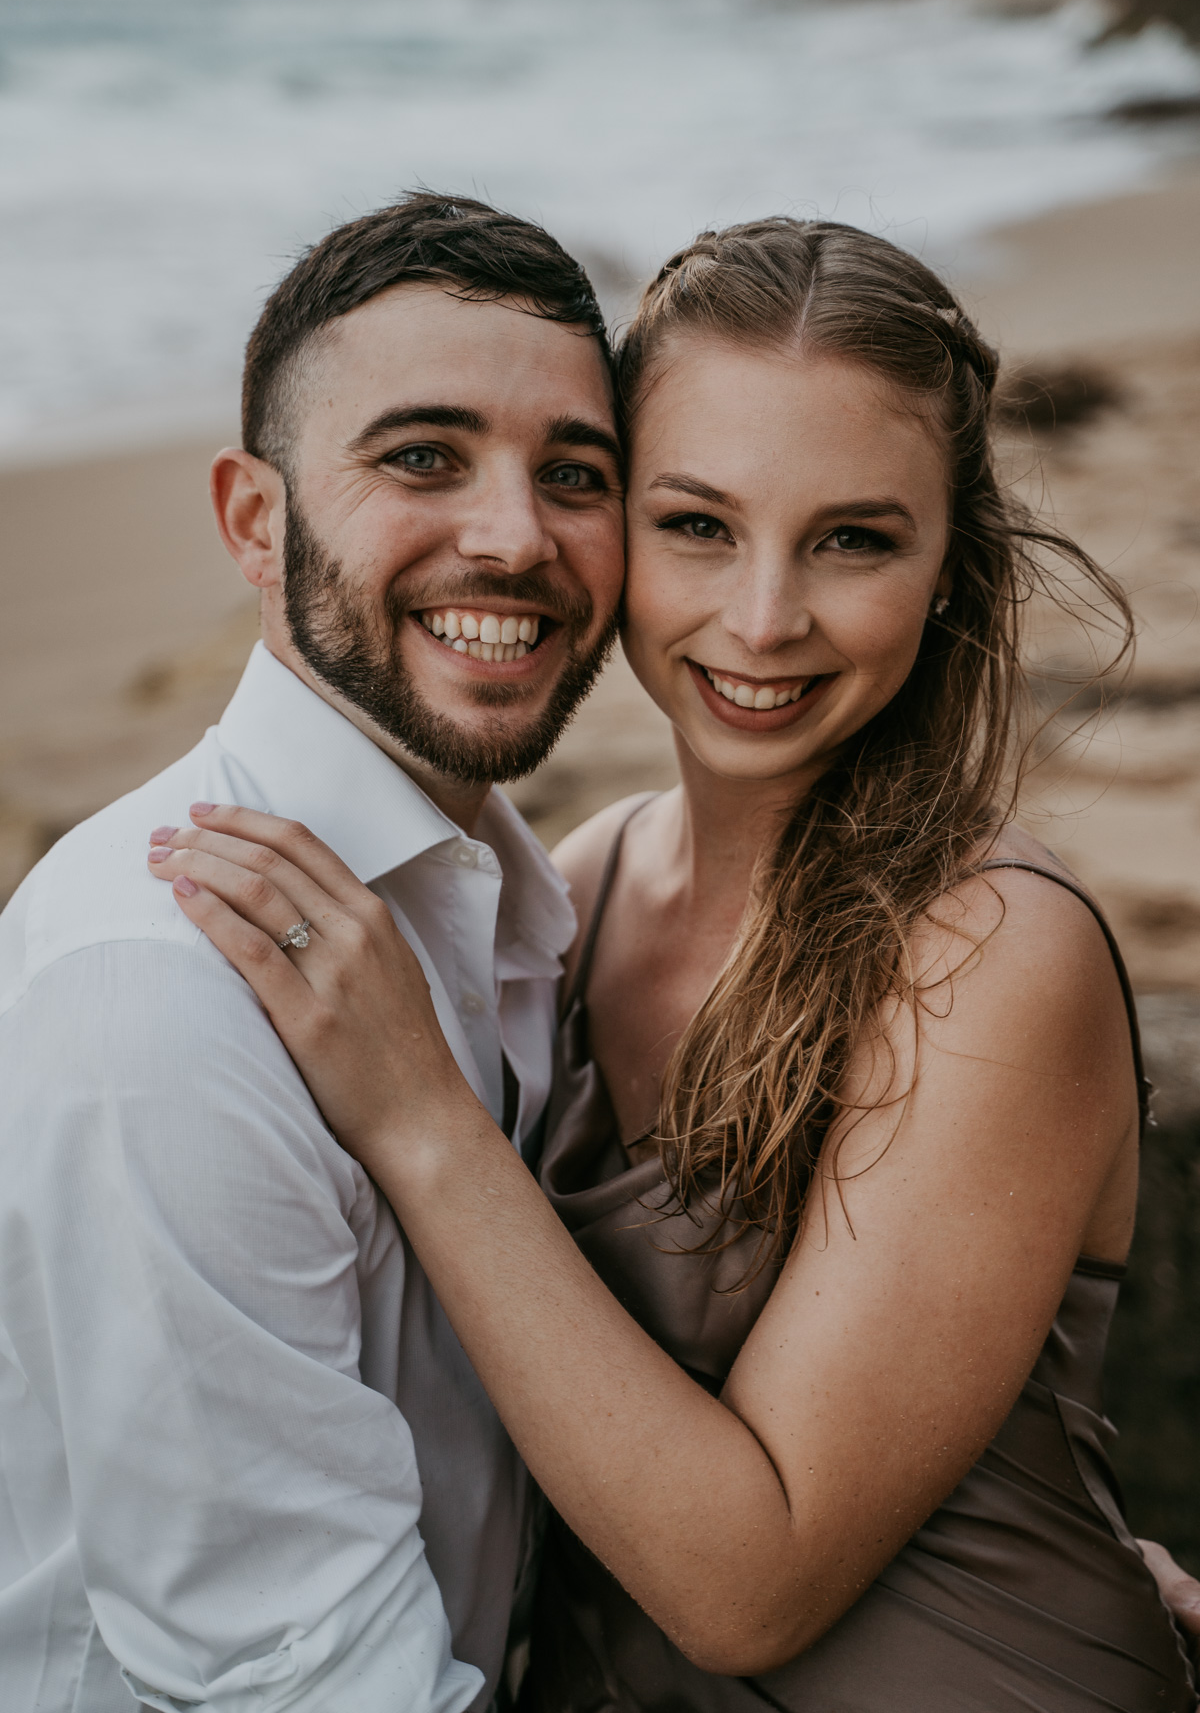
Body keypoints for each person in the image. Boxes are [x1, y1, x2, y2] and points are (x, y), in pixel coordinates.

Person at [152, 218, 1199, 1710]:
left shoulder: (988, 950)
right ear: (608, 523)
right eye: (697, 524)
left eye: (854, 538)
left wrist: (425, 1122)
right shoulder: (575, 885)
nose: (764, 620)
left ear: (950, 564)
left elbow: (748, 1587)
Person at [0, 192, 626, 1712]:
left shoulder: (525, 910)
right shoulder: (160, 981)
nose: (515, 536)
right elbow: (292, 1674)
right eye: (423, 457)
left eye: (576, 474)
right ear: (254, 520)